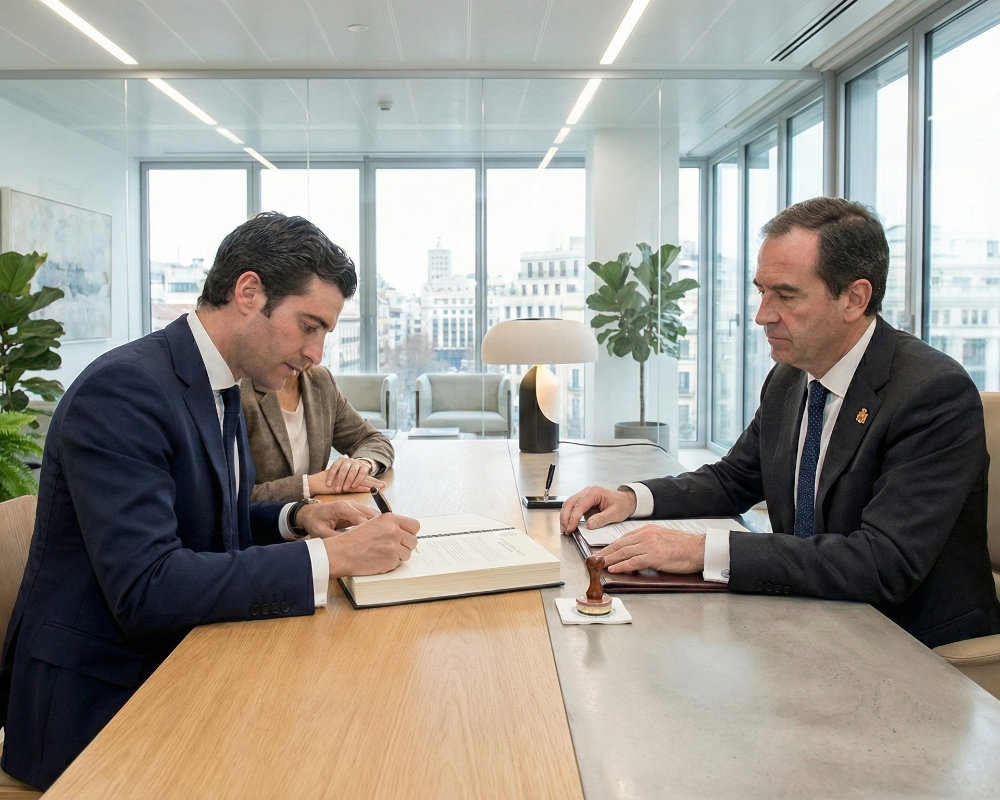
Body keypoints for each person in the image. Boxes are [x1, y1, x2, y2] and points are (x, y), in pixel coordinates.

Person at [0, 212, 420, 790]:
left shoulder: (219, 382)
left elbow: (205, 524)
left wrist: (295, 516)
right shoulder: (125, 391)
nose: (316, 353)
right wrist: (337, 559)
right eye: (308, 325)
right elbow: (147, 587)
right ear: (249, 293)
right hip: (100, 707)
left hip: (175, 662)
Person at [560, 196, 1000, 650]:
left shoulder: (932, 393)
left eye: (786, 295)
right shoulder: (792, 376)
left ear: (854, 298)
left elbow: (882, 563)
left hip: (909, 644)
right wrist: (633, 498)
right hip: (809, 620)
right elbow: (735, 479)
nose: (762, 315)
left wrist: (699, 550)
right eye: (761, 291)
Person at [243, 364, 395, 501]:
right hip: (263, 530)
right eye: (307, 331)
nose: (317, 356)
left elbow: (372, 439)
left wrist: (361, 465)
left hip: (319, 524)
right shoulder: (240, 389)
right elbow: (231, 499)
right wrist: (309, 485)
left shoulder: (319, 379)